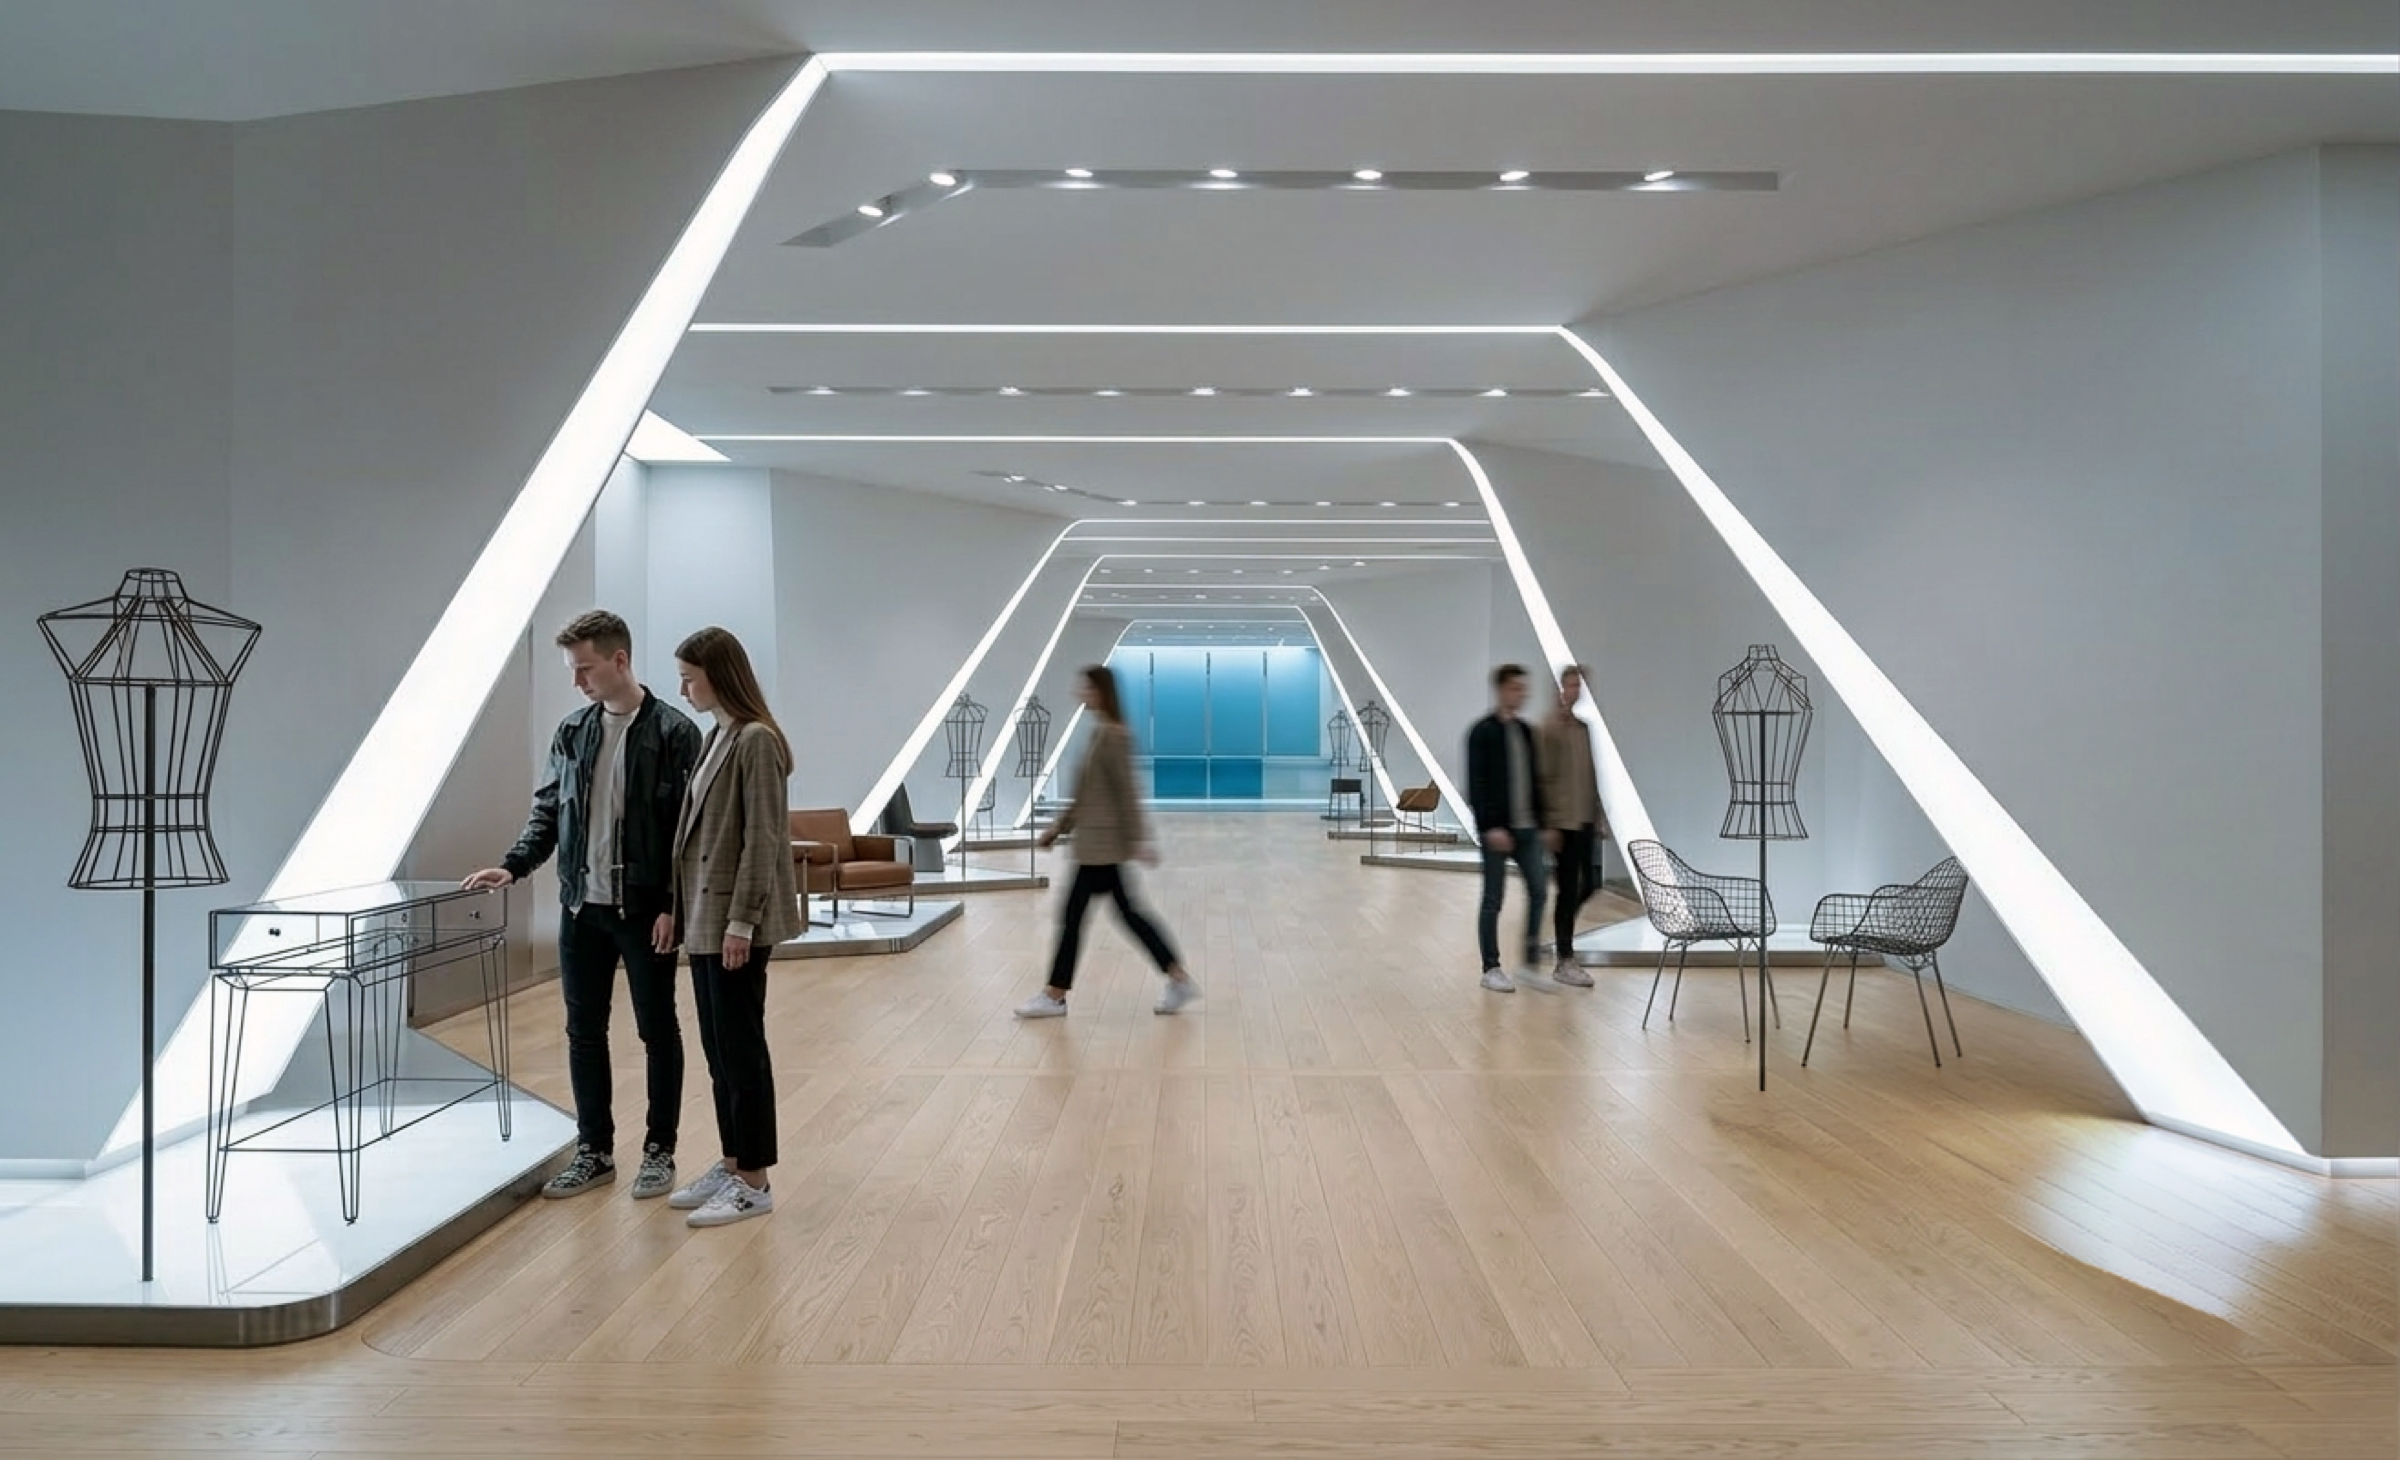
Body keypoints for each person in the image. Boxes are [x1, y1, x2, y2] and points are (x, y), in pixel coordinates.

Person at [465, 610, 700, 1201]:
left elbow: (686, 834)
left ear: (619, 661)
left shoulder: (675, 733)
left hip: (647, 913)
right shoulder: (573, 732)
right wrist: (514, 864)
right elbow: (548, 811)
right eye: (574, 671)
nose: (578, 682)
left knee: (657, 1030)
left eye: (585, 669)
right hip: (582, 912)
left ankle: (659, 1150)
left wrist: (674, 906)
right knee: (583, 1033)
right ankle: (594, 1150)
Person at [663, 626, 800, 1228]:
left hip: (734, 924)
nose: (683, 687)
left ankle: (756, 1179)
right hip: (705, 920)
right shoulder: (717, 736)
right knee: (719, 1049)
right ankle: (732, 1159)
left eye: (690, 676)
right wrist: (678, 910)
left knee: (742, 1049)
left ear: (719, 673)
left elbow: (763, 839)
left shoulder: (756, 741)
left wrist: (742, 922)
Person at [1016, 664, 1199, 1019]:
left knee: (1079, 918)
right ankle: (1177, 978)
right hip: (1096, 846)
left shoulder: (1114, 735)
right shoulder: (1101, 732)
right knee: (1125, 915)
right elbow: (1086, 794)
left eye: (1086, 688)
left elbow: (1126, 792)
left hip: (1103, 848)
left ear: (1101, 692)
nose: (1080, 694)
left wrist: (1137, 839)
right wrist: (1057, 829)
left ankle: (1055, 995)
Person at [1466, 663, 1553, 992]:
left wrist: (1543, 824)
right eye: (1517, 688)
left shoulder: (1527, 732)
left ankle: (1530, 965)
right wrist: (1490, 826)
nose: (1523, 693)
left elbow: (1535, 782)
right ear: (1502, 689)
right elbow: (1477, 784)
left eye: (1524, 688)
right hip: (1497, 833)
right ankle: (1491, 967)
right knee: (1493, 899)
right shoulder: (1482, 732)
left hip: (1527, 829)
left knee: (1540, 891)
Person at [1538, 664, 1607, 989]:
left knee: (1591, 882)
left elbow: (1591, 776)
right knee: (1567, 888)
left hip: (1584, 821)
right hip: (1562, 824)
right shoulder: (1548, 729)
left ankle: (1562, 933)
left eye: (1578, 686)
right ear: (1559, 689)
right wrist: (1548, 824)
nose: (1574, 691)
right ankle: (1564, 958)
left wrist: (1599, 816)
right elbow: (1543, 779)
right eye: (1570, 685)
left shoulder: (1583, 728)